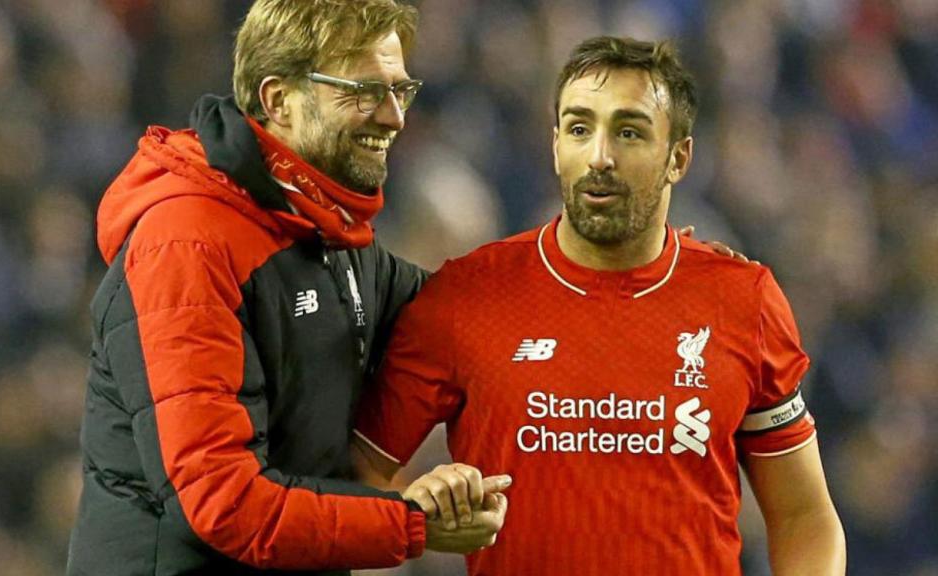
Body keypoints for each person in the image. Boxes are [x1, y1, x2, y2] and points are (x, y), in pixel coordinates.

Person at [352, 36, 847, 575]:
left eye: (629, 132)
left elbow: (803, 516)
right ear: (555, 144)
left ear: (678, 156)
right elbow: (351, 483)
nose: (600, 158)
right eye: (579, 128)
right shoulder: (465, 295)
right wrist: (417, 515)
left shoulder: (741, 300)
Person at [66, 1, 510, 575]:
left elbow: (470, 318)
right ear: (279, 100)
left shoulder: (326, 229)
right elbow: (222, 502)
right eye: (363, 90)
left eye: (401, 90)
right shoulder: (187, 242)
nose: (394, 116)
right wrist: (410, 522)